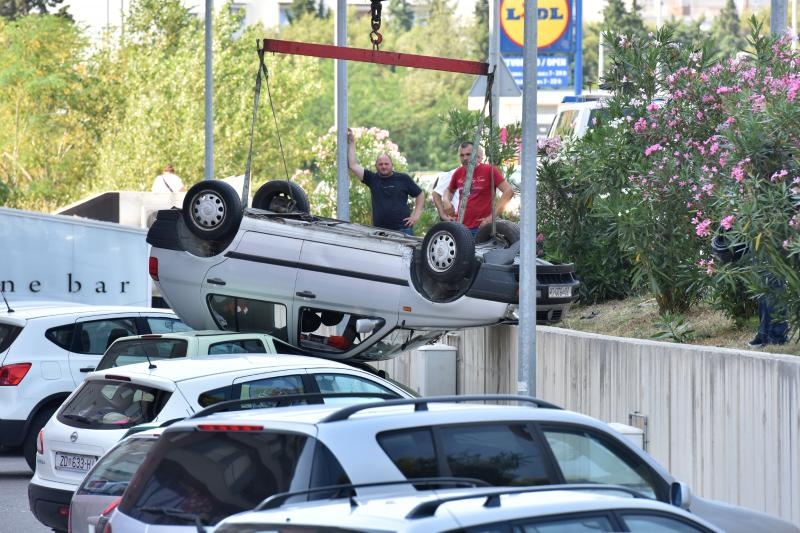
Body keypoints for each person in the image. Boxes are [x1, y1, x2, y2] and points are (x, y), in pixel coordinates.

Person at [346, 128, 424, 235]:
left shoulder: (403, 178)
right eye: (380, 164)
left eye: (386, 164)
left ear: (392, 165)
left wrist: (416, 215)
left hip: (403, 229)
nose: (384, 166)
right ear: (376, 166)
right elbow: (353, 165)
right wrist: (351, 142)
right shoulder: (372, 179)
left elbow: (420, 194)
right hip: (380, 231)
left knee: (406, 253)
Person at [442, 141, 514, 237]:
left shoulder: (489, 170)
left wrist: (491, 217)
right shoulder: (458, 172)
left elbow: (509, 191)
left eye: (468, 154)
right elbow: (449, 190)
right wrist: (446, 200)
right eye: (462, 155)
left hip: (481, 228)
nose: (465, 158)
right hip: (460, 227)